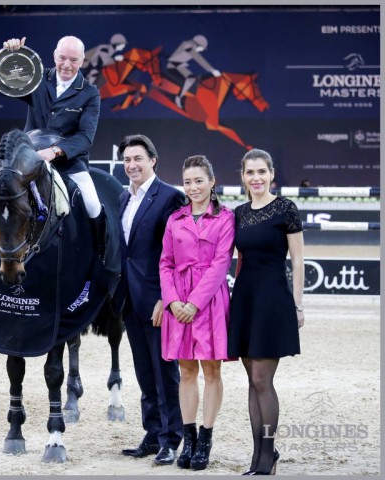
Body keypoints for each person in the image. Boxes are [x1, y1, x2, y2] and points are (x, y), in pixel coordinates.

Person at [227, 148, 305, 475]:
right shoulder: (238, 213)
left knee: (262, 378)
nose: (256, 178)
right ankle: (259, 457)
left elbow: (298, 260)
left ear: (272, 174)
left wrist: (298, 304)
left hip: (273, 300)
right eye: (250, 172)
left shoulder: (286, 209)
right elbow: (224, 257)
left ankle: (268, 453)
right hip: (244, 299)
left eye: (262, 172)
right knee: (251, 381)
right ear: (242, 177)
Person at [159, 155, 235, 470]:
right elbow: (165, 262)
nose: (192, 187)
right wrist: (173, 301)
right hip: (178, 303)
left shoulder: (226, 218)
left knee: (212, 372)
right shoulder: (174, 219)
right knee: (187, 372)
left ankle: (205, 439)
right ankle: (188, 441)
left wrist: (195, 303)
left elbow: (221, 264)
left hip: (210, 302)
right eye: (188, 181)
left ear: (212, 182)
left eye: (199, 180)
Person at [1, 36, 106, 260]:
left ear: (82, 61)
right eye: (62, 58)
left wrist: (54, 151)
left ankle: (101, 256)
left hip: (70, 163)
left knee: (92, 204)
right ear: (54, 56)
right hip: (29, 159)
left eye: (74, 60)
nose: (67, 65)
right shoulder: (37, 77)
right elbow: (6, 86)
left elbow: (85, 137)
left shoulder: (90, 93)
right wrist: (12, 55)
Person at [115, 134, 185, 466]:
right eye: (127, 160)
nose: (132, 165)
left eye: (138, 159)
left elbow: (178, 254)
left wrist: (165, 298)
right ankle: (153, 432)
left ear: (153, 160)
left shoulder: (170, 197)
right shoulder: (121, 199)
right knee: (144, 371)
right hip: (130, 299)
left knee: (164, 372)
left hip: (159, 302)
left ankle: (172, 439)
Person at [165, 35, 221, 109]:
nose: (202, 50)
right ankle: (179, 97)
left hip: (179, 66)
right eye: (202, 48)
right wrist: (212, 70)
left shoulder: (190, 46)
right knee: (190, 78)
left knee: (192, 79)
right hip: (173, 66)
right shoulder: (188, 46)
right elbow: (199, 58)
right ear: (198, 44)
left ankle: (181, 96)